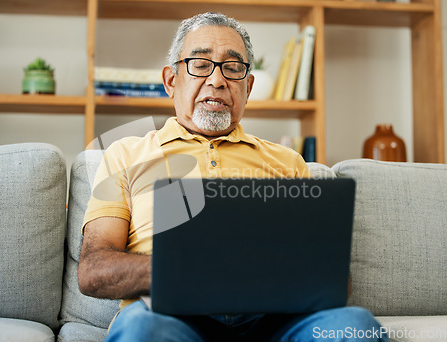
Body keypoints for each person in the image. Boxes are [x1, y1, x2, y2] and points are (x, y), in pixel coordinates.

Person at [78, 12, 388, 342]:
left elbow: (335, 279)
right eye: (200, 64)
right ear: (171, 81)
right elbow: (93, 270)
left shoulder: (287, 162)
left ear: (248, 86)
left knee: (355, 326)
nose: (217, 80)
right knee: (141, 330)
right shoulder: (124, 155)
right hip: (168, 314)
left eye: (233, 67)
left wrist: (269, 272)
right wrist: (186, 269)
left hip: (274, 319)